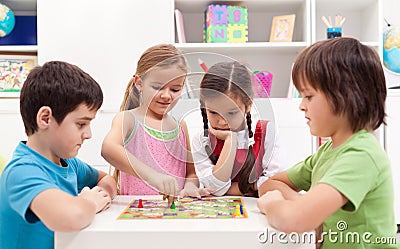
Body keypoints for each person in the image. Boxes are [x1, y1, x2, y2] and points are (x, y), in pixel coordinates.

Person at [257, 38, 397, 248]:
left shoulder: (361, 155)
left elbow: (292, 220)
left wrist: (275, 205)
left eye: (309, 96)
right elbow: (269, 184)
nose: (301, 106)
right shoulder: (328, 152)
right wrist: (306, 208)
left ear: (347, 96)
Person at [0, 61, 118, 249]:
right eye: (81, 124)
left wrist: (101, 194)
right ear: (45, 118)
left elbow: (107, 180)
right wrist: (89, 203)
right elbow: (72, 216)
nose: (88, 134)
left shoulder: (69, 164)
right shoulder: (21, 172)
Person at [101, 44, 211, 205]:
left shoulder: (181, 126)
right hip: (135, 214)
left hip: (174, 214)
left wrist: (190, 186)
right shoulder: (127, 119)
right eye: (158, 87)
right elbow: (108, 148)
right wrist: (152, 176)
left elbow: (191, 174)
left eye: (175, 89)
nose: (166, 95)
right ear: (139, 83)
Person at [191, 61, 287, 197]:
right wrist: (230, 140)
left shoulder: (266, 132)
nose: (222, 122)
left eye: (231, 113)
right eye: (213, 112)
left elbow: (277, 182)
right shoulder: (202, 141)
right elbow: (215, 188)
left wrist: (231, 189)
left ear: (248, 105)